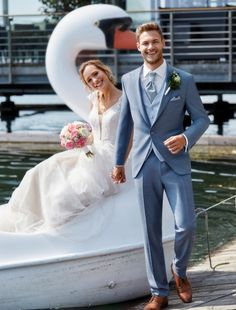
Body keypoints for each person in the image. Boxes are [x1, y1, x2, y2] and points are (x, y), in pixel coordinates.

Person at [112, 22, 210, 310]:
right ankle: (159, 293)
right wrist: (119, 162)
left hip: (175, 162)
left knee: (186, 224)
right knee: (150, 231)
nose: (150, 47)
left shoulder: (183, 79)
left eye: (155, 41)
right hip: (143, 163)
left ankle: (179, 271)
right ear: (138, 46)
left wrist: (185, 137)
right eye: (145, 43)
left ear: (163, 43)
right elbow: (125, 125)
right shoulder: (128, 80)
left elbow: (202, 119)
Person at [0, 59, 123, 233]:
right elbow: (95, 131)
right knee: (41, 170)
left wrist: (120, 164)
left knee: (67, 195)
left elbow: (130, 136)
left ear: (105, 70)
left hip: (112, 154)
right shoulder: (93, 99)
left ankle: (52, 227)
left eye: (96, 74)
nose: (94, 80)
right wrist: (80, 139)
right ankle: (24, 215)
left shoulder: (125, 99)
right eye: (89, 80)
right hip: (91, 151)